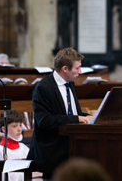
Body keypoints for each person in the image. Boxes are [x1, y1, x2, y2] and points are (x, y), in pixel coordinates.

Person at [27, 47, 92, 179]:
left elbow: (73, 113)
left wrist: (89, 117)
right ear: (65, 69)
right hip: (51, 150)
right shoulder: (43, 88)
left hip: (71, 147)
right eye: (77, 68)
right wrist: (78, 119)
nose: (80, 72)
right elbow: (44, 121)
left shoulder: (70, 83)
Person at [0, 110, 30, 181]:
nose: (19, 129)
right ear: (4, 129)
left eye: (20, 125)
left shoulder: (24, 148)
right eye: (15, 126)